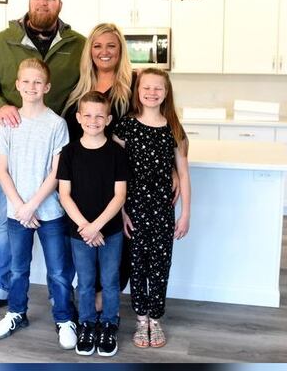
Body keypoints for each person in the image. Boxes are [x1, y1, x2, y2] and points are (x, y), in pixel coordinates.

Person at [0, 0, 85, 317]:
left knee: (61, 223)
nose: (43, 3)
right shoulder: (1, 42)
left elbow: (93, 83)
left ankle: (61, 296)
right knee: (7, 223)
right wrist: (0, 107)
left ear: (60, 4)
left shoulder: (78, 45)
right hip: (18, 150)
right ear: (29, 0)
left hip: (62, 150)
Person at [0, 58, 77, 349]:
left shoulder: (57, 124)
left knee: (58, 272)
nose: (31, 87)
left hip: (49, 211)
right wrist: (19, 206)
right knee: (18, 269)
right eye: (26, 81)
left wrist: (32, 205)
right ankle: (16, 313)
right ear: (17, 85)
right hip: (17, 212)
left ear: (47, 87)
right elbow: (2, 170)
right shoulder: (7, 124)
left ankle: (64, 319)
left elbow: (56, 172)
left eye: (38, 82)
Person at [112, 68, 192, 349]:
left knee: (159, 265)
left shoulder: (174, 129)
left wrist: (185, 213)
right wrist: (121, 211)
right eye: (146, 87)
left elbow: (184, 174)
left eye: (158, 88)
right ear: (138, 91)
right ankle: (141, 319)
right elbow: (116, 173)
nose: (151, 92)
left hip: (162, 210)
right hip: (132, 209)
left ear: (166, 93)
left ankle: (155, 319)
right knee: (137, 265)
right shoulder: (125, 126)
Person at [61, 23, 134, 316]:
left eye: (111, 46)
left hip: (121, 182)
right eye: (97, 46)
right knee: (83, 253)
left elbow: (164, 128)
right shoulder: (78, 91)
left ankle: (106, 305)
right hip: (81, 187)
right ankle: (89, 303)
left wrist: (175, 169)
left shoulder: (132, 89)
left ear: (121, 51)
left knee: (117, 247)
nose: (104, 52)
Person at [57, 91, 129, 357]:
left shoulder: (117, 153)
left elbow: (120, 196)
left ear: (108, 119)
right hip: (80, 233)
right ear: (78, 118)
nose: (93, 120)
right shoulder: (69, 152)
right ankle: (86, 323)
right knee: (85, 282)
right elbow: (64, 195)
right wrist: (85, 227)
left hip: (110, 231)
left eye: (99, 116)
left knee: (110, 281)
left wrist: (96, 226)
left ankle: (109, 323)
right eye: (87, 115)